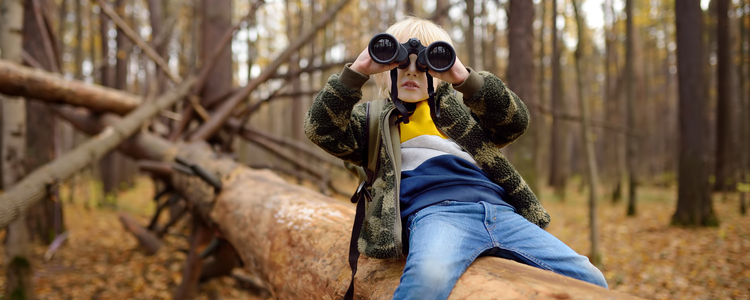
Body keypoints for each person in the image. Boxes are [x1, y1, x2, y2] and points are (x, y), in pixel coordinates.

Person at [304, 16, 608, 299]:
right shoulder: (370, 120)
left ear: (440, 73)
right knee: (428, 279)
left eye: (425, 63)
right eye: (400, 62)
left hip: (501, 213)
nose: (412, 70)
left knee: (588, 278)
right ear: (384, 69)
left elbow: (514, 122)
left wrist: (463, 78)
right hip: (437, 215)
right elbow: (322, 129)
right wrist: (356, 71)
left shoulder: (462, 114)